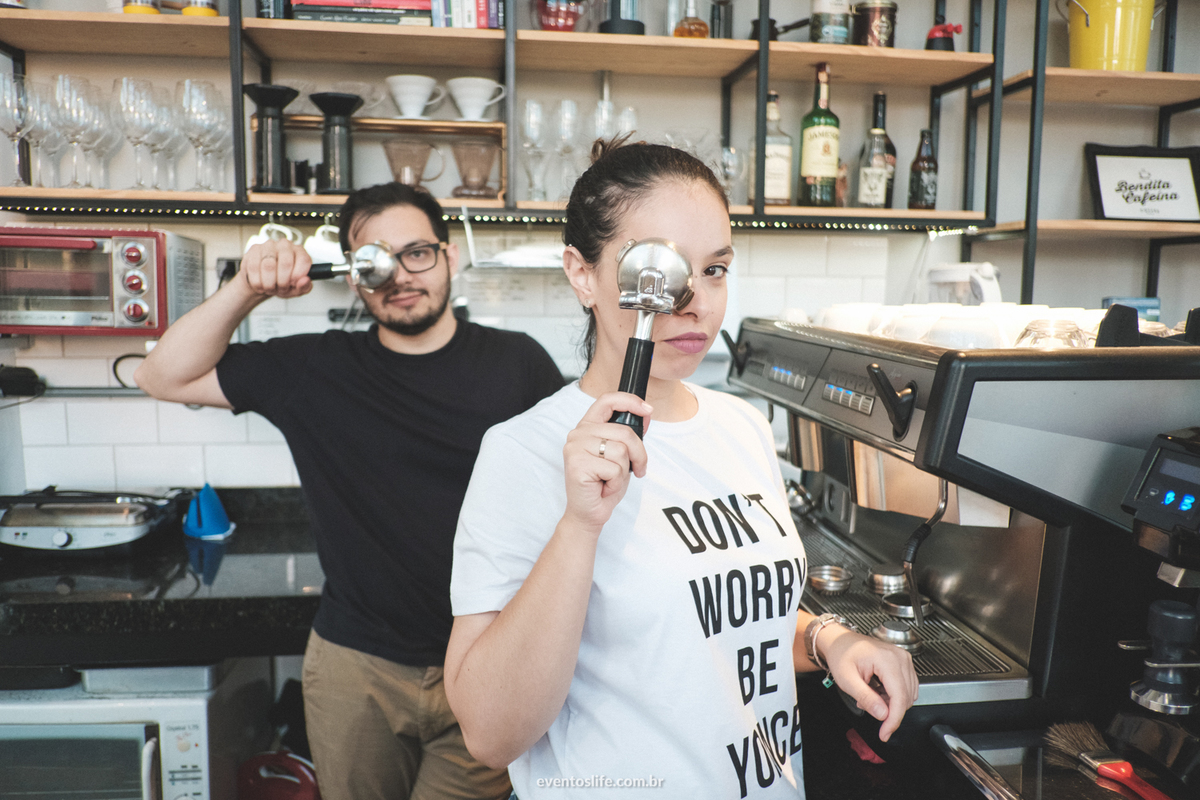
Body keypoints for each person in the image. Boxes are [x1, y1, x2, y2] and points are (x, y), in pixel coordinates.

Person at [442, 140, 919, 799]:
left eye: (716, 269)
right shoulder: (525, 451)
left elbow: (713, 627)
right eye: (662, 268)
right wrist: (579, 526)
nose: (695, 300)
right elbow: (490, 733)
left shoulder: (741, 426)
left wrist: (830, 643)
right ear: (582, 274)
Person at [134, 182, 564, 800]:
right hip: (355, 668)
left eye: (418, 252)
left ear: (449, 257)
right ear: (354, 276)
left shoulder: (519, 363)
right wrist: (247, 288)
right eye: (376, 260)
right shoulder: (314, 369)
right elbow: (161, 374)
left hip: (489, 662)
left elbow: (568, 494)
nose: (400, 275)